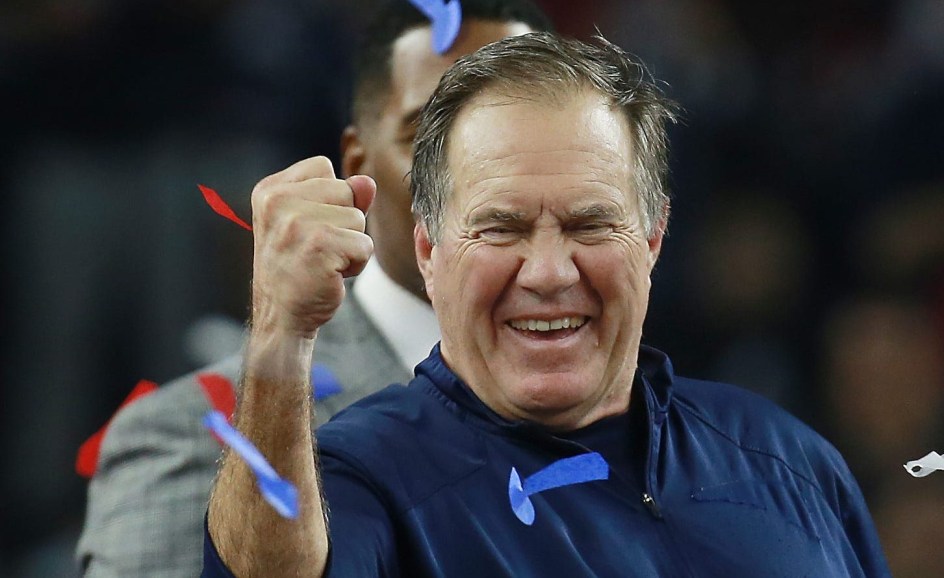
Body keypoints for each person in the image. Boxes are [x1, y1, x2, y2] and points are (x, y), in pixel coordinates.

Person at [202, 31, 892, 577]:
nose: (550, 272)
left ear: (652, 239)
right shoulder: (361, 481)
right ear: (428, 252)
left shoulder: (784, 459)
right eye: (501, 228)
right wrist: (281, 336)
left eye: (590, 224)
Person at [75, 2, 553, 576]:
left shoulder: (649, 424)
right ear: (358, 163)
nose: (487, 181)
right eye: (433, 134)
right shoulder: (194, 441)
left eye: (519, 136)